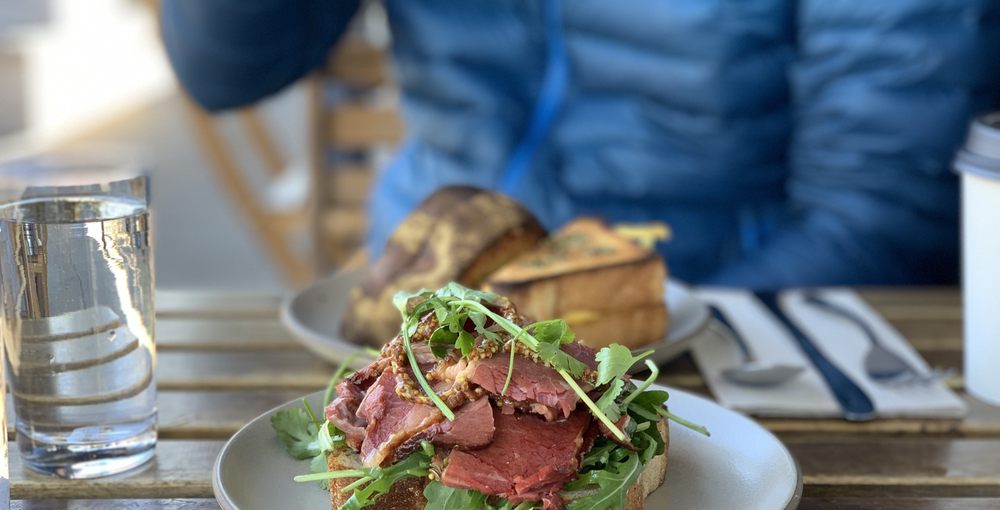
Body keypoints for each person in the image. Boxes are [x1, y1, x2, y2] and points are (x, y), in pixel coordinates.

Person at [161, 0, 1000, 288]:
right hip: (428, 292)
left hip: (728, 322)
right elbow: (222, 69)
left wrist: (641, 359)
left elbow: (883, 213)